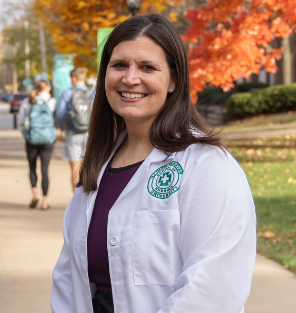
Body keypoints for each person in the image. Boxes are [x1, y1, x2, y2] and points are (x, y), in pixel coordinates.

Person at [51, 14, 256, 313]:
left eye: (147, 67)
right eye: (119, 65)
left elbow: (214, 288)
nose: (130, 78)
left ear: (174, 80)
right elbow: (68, 278)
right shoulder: (98, 167)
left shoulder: (207, 167)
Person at [18, 80, 56, 210]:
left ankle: (35, 194)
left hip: (32, 140)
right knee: (45, 170)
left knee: (32, 168)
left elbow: (21, 123)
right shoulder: (51, 102)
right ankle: (44, 202)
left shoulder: (28, 101)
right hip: (48, 140)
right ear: (47, 88)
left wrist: (28, 136)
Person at [55, 67, 94, 192]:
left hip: (73, 133)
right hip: (90, 134)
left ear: (73, 78)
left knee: (75, 170)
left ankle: (76, 204)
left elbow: (60, 114)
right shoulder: (92, 92)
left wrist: (61, 126)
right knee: (89, 169)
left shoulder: (67, 93)